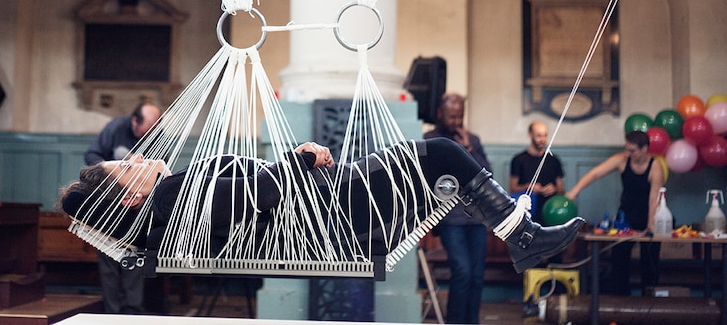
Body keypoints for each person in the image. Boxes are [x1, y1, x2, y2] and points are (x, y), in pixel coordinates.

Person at [62, 137, 584, 285]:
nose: (141, 159)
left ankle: (525, 240)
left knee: (441, 167)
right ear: (128, 195)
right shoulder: (174, 195)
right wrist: (301, 157)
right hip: (328, 211)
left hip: (322, 208)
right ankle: (526, 239)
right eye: (127, 167)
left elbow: (246, 194)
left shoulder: (168, 204)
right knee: (442, 155)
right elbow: (255, 195)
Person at [84, 102, 162, 314]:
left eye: (153, 131)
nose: (149, 135)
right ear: (134, 120)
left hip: (138, 204)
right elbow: (91, 156)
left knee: (134, 255)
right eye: (146, 131)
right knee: (108, 258)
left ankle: (132, 310)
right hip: (108, 202)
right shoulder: (115, 129)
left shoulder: (156, 133)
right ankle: (112, 312)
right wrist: (117, 168)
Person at [566, 130, 664, 296]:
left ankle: (649, 305)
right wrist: (574, 192)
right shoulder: (622, 160)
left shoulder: (655, 167)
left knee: (649, 262)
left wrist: (649, 226)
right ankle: (621, 302)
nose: (628, 153)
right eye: (626, 149)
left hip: (647, 216)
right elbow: (595, 173)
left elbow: (654, 200)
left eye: (632, 150)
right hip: (626, 215)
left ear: (644, 149)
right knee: (619, 258)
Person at [423, 93, 491, 324]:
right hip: (450, 219)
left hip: (477, 219)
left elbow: (486, 175)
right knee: (462, 272)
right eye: (452, 116)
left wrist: (469, 149)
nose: (456, 121)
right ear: (441, 113)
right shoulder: (431, 139)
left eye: (460, 116)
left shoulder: (473, 140)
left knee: (476, 277)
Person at [509, 120, 565, 225]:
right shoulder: (518, 160)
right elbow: (512, 189)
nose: (542, 140)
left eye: (545, 136)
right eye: (538, 136)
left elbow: (561, 189)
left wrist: (554, 189)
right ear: (530, 135)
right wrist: (528, 187)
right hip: (527, 214)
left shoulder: (554, 160)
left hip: (550, 212)